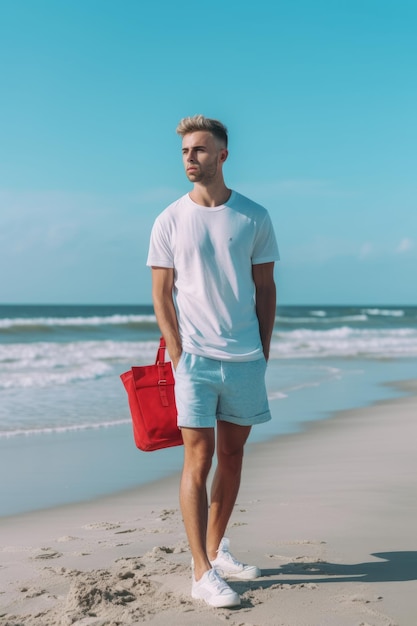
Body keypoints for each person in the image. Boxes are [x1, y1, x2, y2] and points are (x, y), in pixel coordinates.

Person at [146, 115, 279, 608]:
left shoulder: (254, 216)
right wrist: (179, 352)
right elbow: (161, 295)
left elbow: (264, 289)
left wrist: (263, 350)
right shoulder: (168, 220)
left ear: (222, 156)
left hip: (245, 358)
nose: (189, 158)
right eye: (185, 151)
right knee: (197, 459)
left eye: (199, 150)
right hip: (195, 360)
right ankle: (201, 572)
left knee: (235, 456)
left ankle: (216, 549)